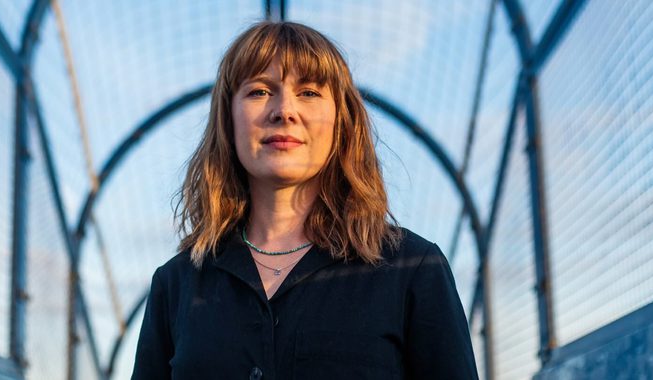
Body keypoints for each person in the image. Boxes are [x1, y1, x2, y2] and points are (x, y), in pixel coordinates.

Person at [132, 21, 477, 380]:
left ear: (341, 122)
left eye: (309, 92)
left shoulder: (413, 268)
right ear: (228, 119)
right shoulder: (176, 284)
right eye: (259, 91)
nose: (284, 110)